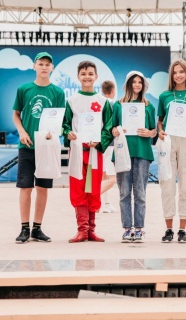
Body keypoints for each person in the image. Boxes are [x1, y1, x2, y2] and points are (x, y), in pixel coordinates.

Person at [12, 52, 66, 244]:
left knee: (42, 188)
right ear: (34, 66)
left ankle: (37, 228)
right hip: (27, 146)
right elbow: (16, 114)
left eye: (47, 64)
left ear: (52, 68)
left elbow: (59, 119)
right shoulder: (24, 89)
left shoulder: (58, 93)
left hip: (47, 147)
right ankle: (24, 228)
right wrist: (21, 132)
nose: (44, 67)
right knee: (25, 187)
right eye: (40, 64)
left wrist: (54, 132)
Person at [63, 60, 113, 243]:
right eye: (83, 74)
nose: (87, 77)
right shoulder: (71, 101)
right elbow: (65, 124)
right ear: (78, 76)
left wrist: (100, 141)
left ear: (96, 76)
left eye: (90, 74)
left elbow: (108, 127)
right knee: (78, 188)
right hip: (78, 151)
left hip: (94, 152)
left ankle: (91, 230)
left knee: (93, 189)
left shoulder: (103, 102)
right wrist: (68, 133)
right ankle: (82, 230)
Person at [157, 59, 186, 243]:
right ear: (171, 75)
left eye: (181, 71)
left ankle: (182, 229)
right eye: (175, 72)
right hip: (168, 140)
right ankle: (168, 229)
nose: (178, 75)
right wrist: (160, 131)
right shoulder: (165, 96)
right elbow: (160, 121)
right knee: (167, 183)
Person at [111, 71, 157, 242]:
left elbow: (154, 130)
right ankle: (127, 229)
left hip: (142, 152)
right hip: (123, 152)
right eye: (134, 82)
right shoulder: (118, 106)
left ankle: (138, 229)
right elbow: (112, 128)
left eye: (140, 82)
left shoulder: (148, 106)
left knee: (140, 192)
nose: (137, 85)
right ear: (128, 84)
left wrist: (149, 133)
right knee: (124, 192)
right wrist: (116, 131)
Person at [100, 80, 118, 213]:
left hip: (100, 145)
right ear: (113, 91)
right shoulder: (113, 105)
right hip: (110, 145)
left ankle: (105, 203)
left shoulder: (99, 104)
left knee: (104, 176)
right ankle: (92, 198)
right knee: (112, 178)